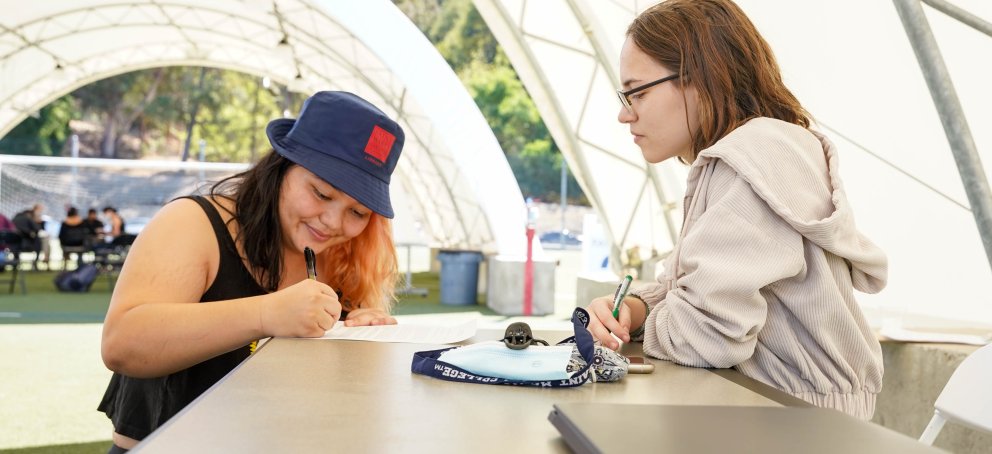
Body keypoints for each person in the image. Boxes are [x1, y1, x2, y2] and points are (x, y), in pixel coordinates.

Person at [585, 0, 886, 420]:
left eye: (638, 92)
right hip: (775, 408)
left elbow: (707, 334)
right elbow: (696, 292)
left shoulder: (750, 161)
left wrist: (647, 324)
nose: (624, 113)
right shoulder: (758, 153)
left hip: (796, 424)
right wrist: (635, 310)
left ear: (701, 80)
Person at [98, 91, 404, 451]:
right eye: (321, 193)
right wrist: (267, 313)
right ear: (280, 168)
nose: (334, 222)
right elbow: (122, 343)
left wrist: (355, 334)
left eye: (358, 212)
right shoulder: (193, 223)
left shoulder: (340, 253)